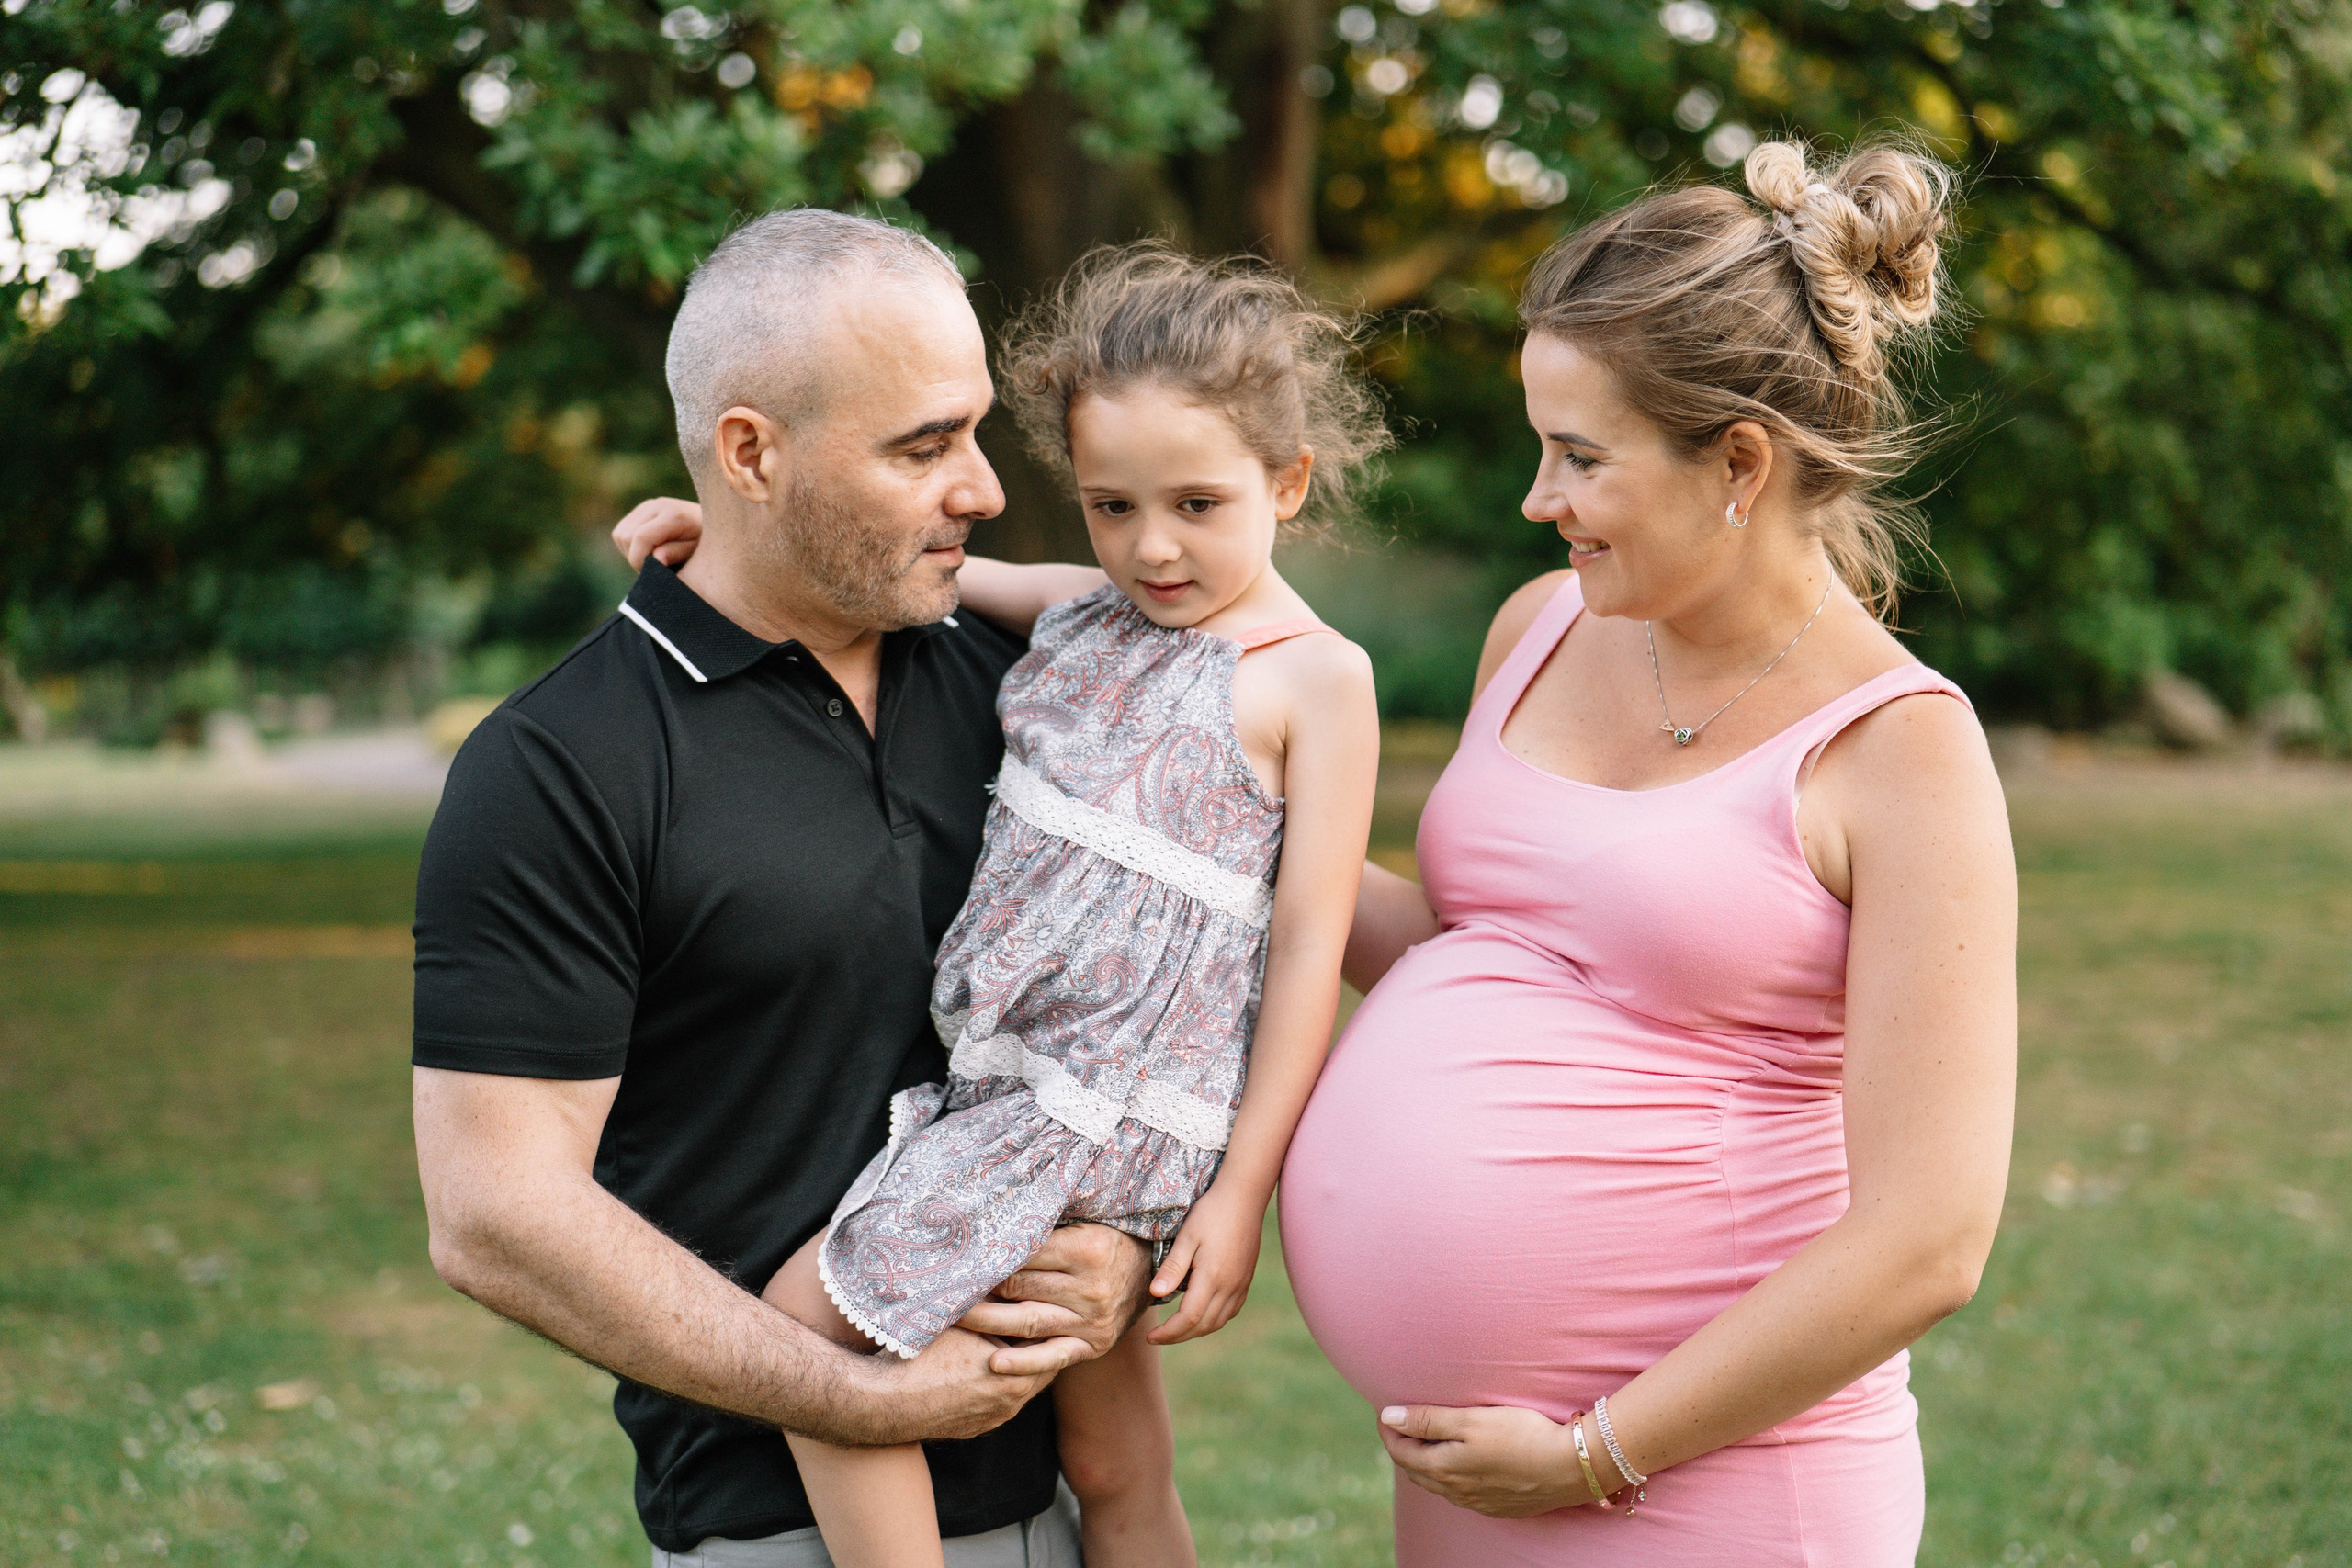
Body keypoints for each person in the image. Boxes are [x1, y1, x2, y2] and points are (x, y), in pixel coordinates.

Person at [1276, 140, 2018, 1564]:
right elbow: (1482, 960)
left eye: (1580, 456)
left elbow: (1931, 1237)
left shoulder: (1901, 752)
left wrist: (1595, 1454)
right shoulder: (1541, 627)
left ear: (1738, 463)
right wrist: (1221, 832)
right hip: (1475, 1472)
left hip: (1714, 1480)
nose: (1537, 499)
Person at [612, 243, 1385, 1568]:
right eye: (1110, 505)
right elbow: (939, 575)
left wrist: (1236, 1194)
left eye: (1199, 504)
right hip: (1026, 1089)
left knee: (807, 1319)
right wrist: (719, 533)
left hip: (1100, 1111)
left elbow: (1311, 945)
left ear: (1289, 481)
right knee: (1113, 1454)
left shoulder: (1315, 679)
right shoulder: (1089, 615)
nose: (1153, 548)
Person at [411, 209, 1159, 1568]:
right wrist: (861, 1399)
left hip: (1063, 1511)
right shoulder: (560, 767)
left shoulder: (1027, 692)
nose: (985, 487)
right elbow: (494, 1215)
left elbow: (1177, 974)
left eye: (977, 431)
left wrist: (1124, 1255)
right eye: (923, 447)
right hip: (775, 1534)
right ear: (750, 453)